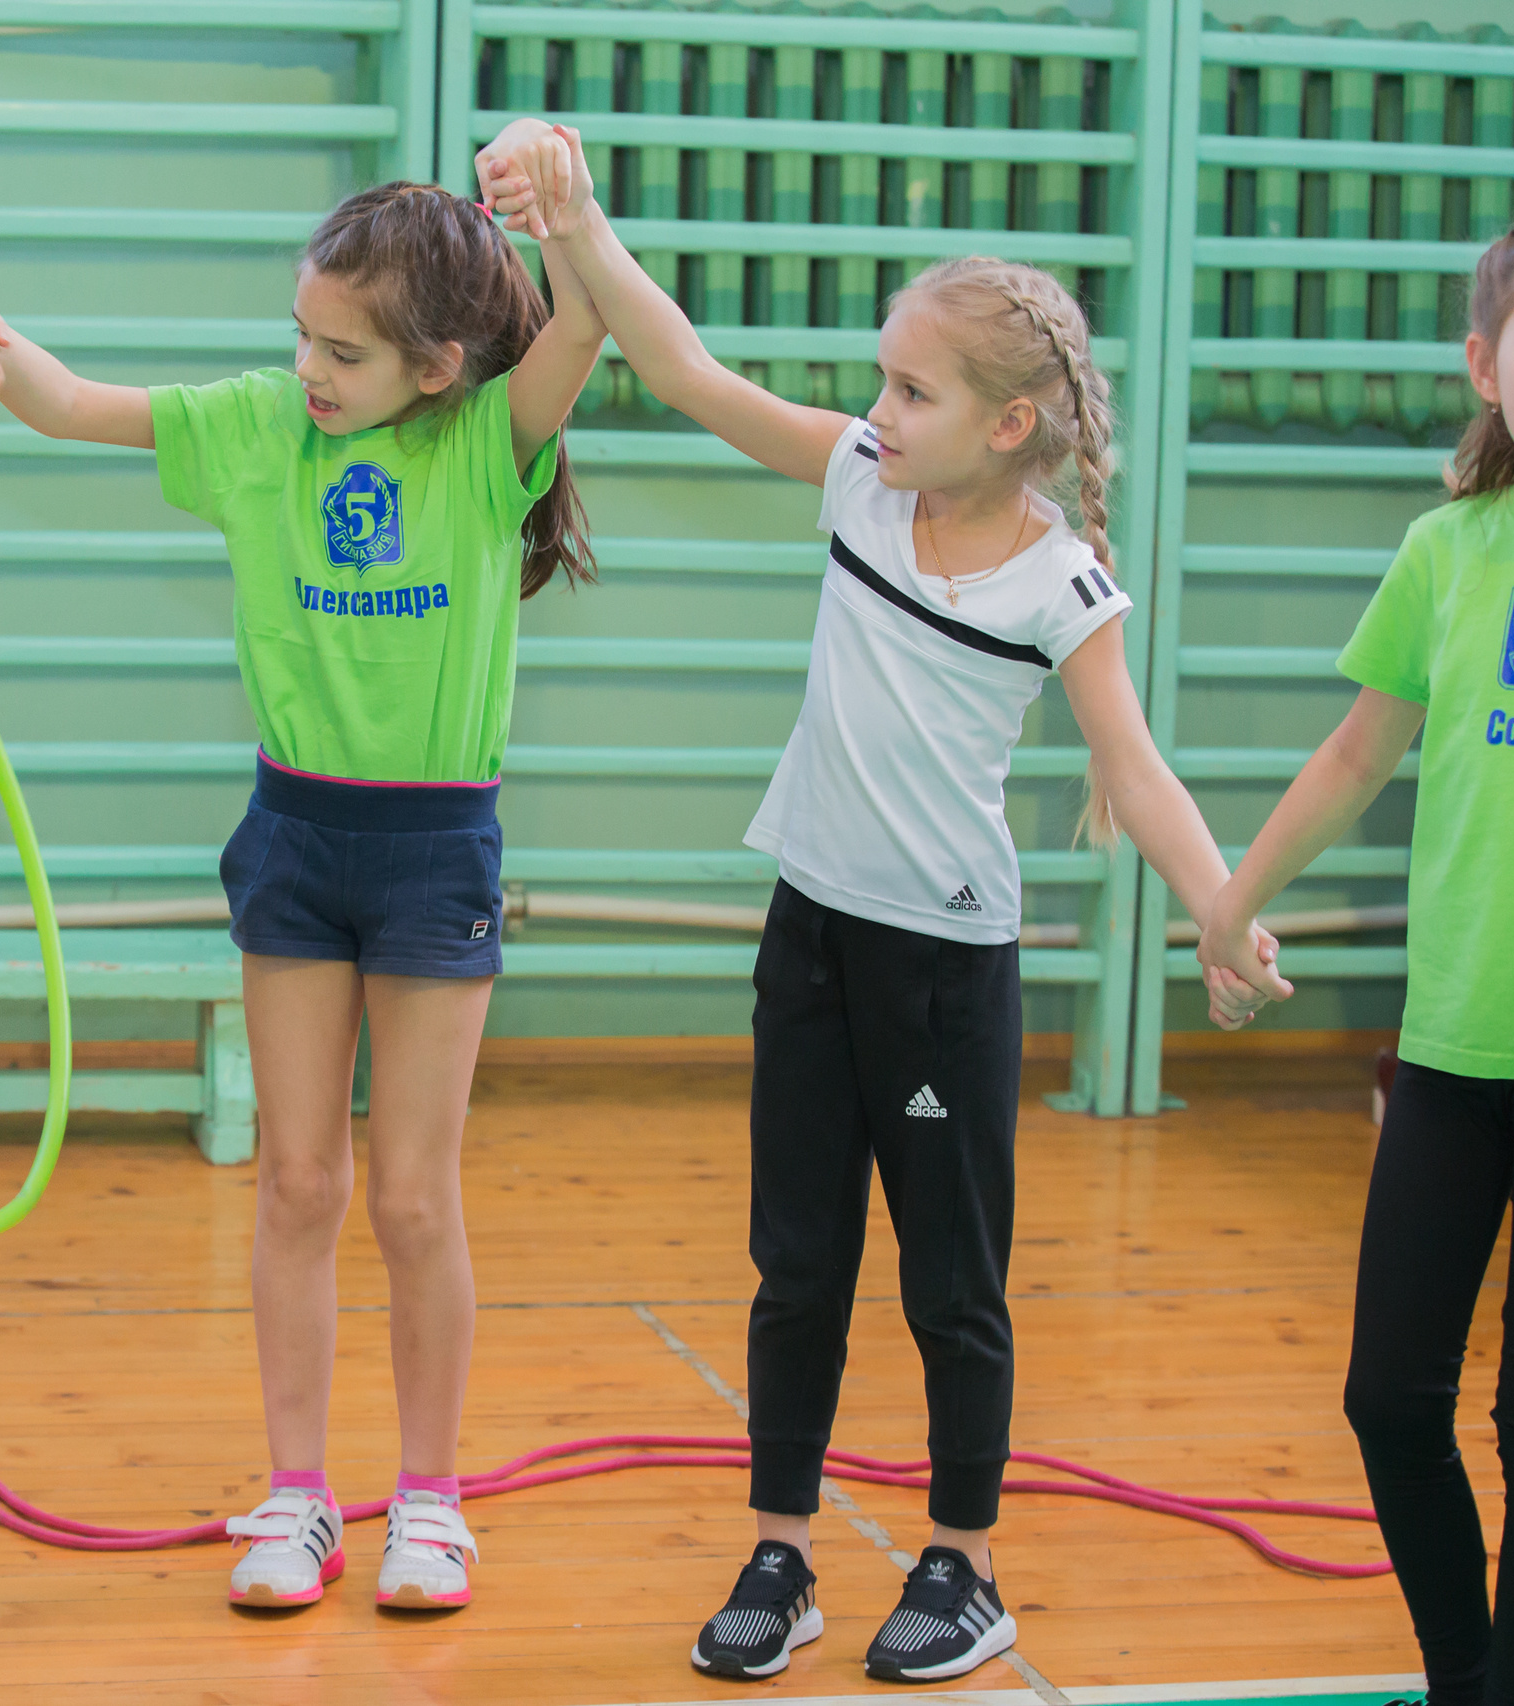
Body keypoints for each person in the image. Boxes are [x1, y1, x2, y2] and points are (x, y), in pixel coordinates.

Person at [479, 122, 1283, 1682]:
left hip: (945, 971)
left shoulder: (1062, 586)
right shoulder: (857, 477)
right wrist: (573, 220)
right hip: (815, 936)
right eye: (883, 380)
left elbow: (1139, 765)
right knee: (797, 1259)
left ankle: (964, 1564)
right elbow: (689, 370)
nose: (880, 409)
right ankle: (782, 1544)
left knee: (950, 1280)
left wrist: (1218, 905)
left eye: (915, 389)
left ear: (1013, 425)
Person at [0, 178, 603, 1612]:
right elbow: (66, 403)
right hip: (295, 836)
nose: (309, 370)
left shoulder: (491, 442)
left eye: (343, 353)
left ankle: (430, 1497)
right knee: (300, 1182)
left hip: (434, 849)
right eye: (301, 335)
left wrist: (565, 204)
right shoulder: (252, 428)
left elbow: (591, 312)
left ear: (439, 366)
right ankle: (298, 1496)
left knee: (415, 1198)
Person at [1198, 209, 1514, 1706]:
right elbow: (1358, 754)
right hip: (1454, 1043)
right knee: (1387, 1395)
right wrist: (1231, 900)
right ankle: (1464, 1674)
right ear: (1488, 365)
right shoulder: (1446, 552)